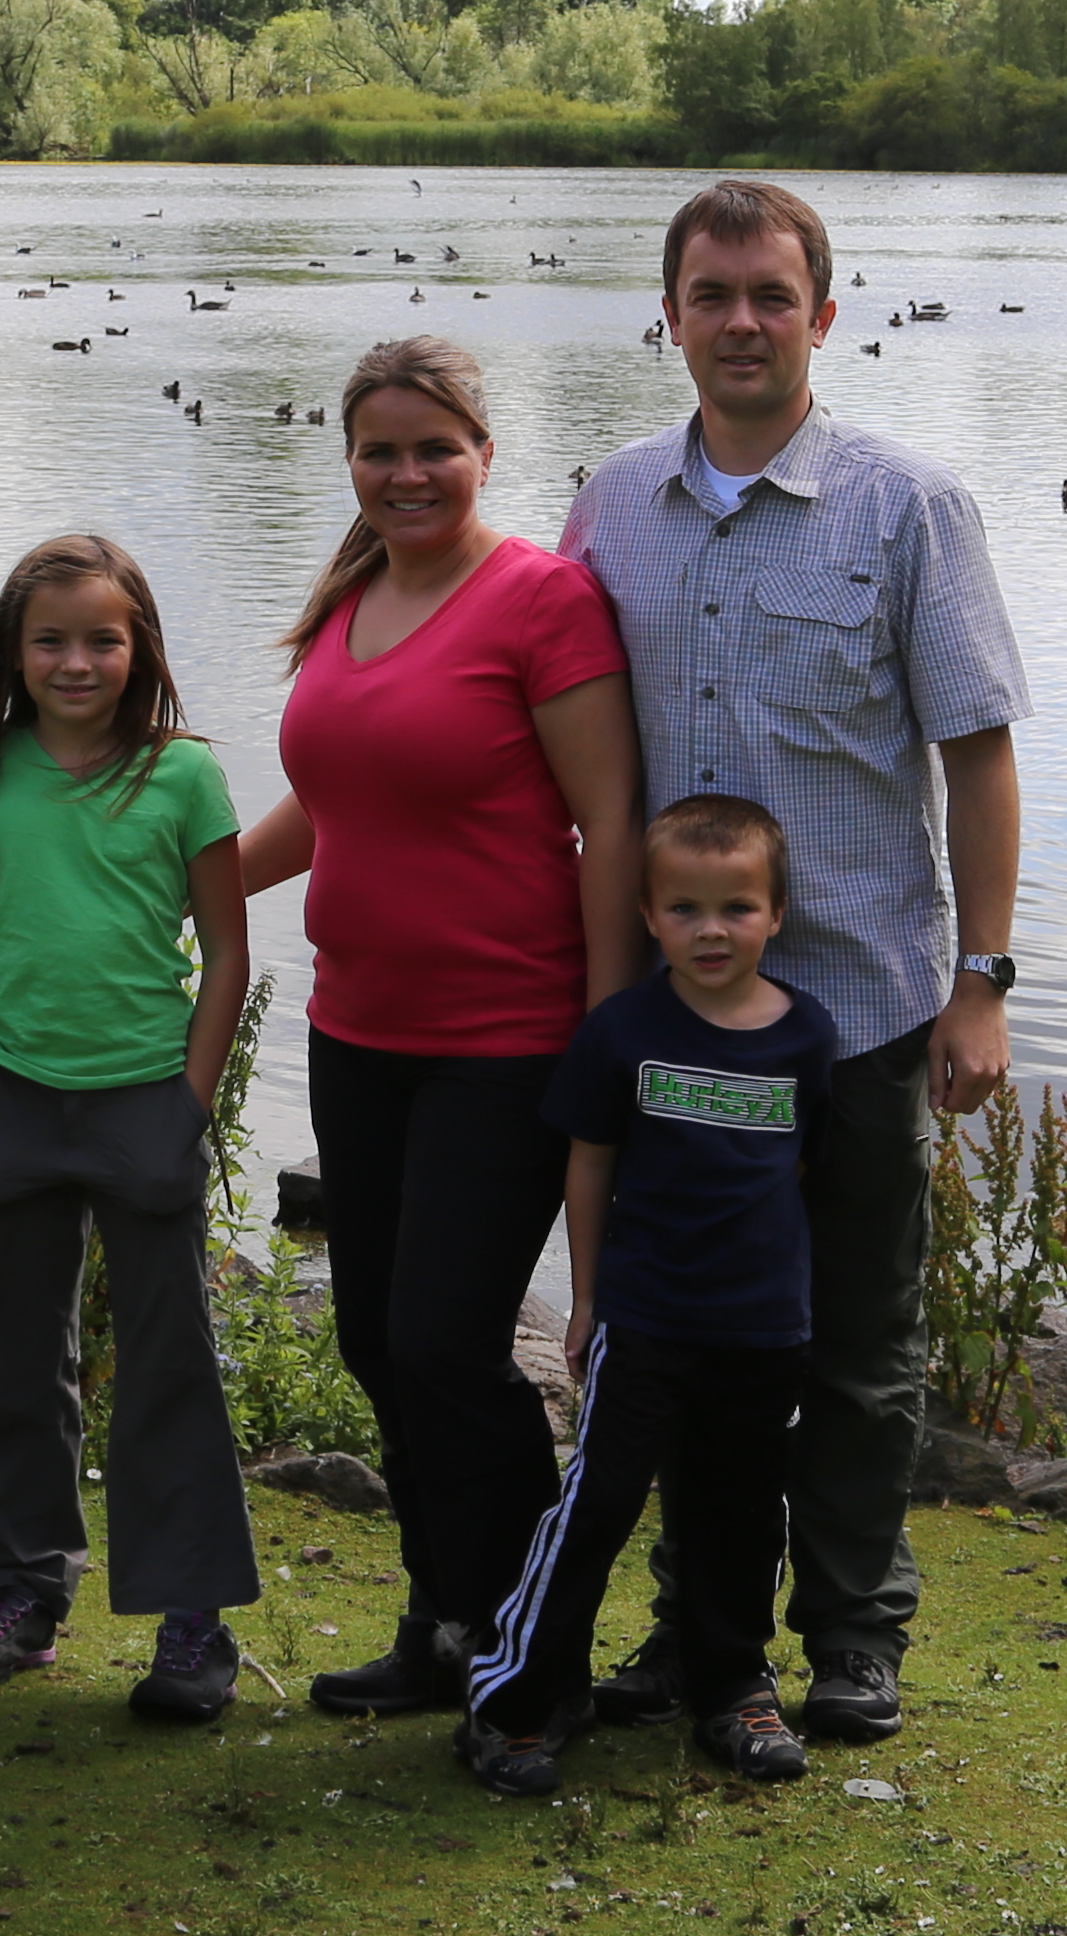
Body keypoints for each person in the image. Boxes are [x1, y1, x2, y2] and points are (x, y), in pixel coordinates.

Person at [558, 177, 1026, 1744]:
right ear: (670, 315)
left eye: (772, 294)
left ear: (826, 315)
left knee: (855, 1339)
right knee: (684, 1338)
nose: (742, 321)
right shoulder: (613, 501)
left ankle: (852, 1631)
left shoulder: (909, 507)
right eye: (713, 294)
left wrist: (985, 981)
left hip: (863, 1014)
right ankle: (702, 1635)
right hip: (679, 1017)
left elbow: (977, 751)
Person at [235, 335, 645, 1718]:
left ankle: (536, 1637)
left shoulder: (543, 600)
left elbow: (611, 828)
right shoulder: (355, 598)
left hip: (508, 1035)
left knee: (445, 1344)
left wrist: (604, 1029)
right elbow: (336, 803)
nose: (406, 473)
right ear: (348, 460)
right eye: (380, 451)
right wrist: (185, 879)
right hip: (359, 1030)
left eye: (433, 448)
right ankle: (446, 1617)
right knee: (370, 1336)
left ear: (485, 449)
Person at [0, 529, 265, 1718]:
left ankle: (190, 1624)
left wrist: (191, 1101)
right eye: (50, 640)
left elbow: (227, 954)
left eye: (102, 640)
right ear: (14, 654)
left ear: (141, 647)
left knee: (170, 1361)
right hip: (10, 1093)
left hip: (142, 1098)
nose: (76, 661)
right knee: (18, 1357)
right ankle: (19, 1596)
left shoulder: (184, 777)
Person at [461, 793, 836, 1797]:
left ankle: (733, 1690)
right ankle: (518, 1699)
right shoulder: (622, 1031)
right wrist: (585, 1302)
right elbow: (588, 1166)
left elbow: (797, 1176)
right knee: (600, 1506)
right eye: (684, 910)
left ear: (776, 913)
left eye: (736, 909)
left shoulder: (805, 1037)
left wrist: (788, 1298)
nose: (710, 931)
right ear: (646, 914)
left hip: (762, 1331)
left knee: (744, 1515)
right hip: (648, 1320)